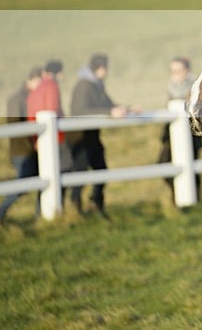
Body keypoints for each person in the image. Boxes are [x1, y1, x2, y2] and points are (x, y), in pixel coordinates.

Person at [69, 53, 133, 216]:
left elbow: (108, 104)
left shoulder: (96, 84)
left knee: (101, 170)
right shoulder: (84, 86)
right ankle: (76, 206)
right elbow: (79, 111)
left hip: (91, 136)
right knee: (80, 173)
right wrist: (110, 111)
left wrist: (127, 108)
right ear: (101, 68)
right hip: (80, 138)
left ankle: (95, 202)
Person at [0, 67, 42, 224]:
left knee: (42, 182)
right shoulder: (17, 99)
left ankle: (40, 215)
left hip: (29, 150)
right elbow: (15, 125)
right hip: (22, 151)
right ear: (31, 80)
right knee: (22, 186)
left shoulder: (30, 97)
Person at [157, 56, 202, 199]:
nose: (175, 75)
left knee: (190, 167)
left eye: (178, 71)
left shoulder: (196, 86)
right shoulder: (172, 86)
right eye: (172, 71)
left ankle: (192, 198)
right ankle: (176, 195)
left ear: (187, 70)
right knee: (164, 164)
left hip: (191, 134)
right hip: (171, 134)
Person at [27, 60, 73, 179]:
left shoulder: (37, 88)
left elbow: (31, 112)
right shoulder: (52, 86)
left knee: (47, 173)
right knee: (64, 169)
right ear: (59, 73)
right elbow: (53, 109)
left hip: (39, 136)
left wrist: (35, 137)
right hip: (55, 137)